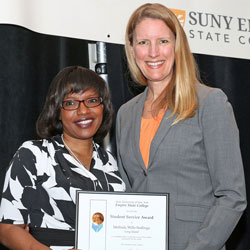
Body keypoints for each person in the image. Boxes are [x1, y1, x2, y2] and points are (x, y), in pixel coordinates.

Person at [116, 3, 246, 250]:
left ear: (177, 46)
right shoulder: (125, 114)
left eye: (163, 41)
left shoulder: (209, 102)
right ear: (132, 50)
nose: (153, 52)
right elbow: (128, 195)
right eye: (143, 43)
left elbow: (232, 197)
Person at [0, 66, 126, 250]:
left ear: (103, 107)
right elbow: (7, 228)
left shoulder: (109, 162)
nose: (83, 111)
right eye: (71, 103)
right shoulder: (34, 154)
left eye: (91, 100)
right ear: (57, 111)